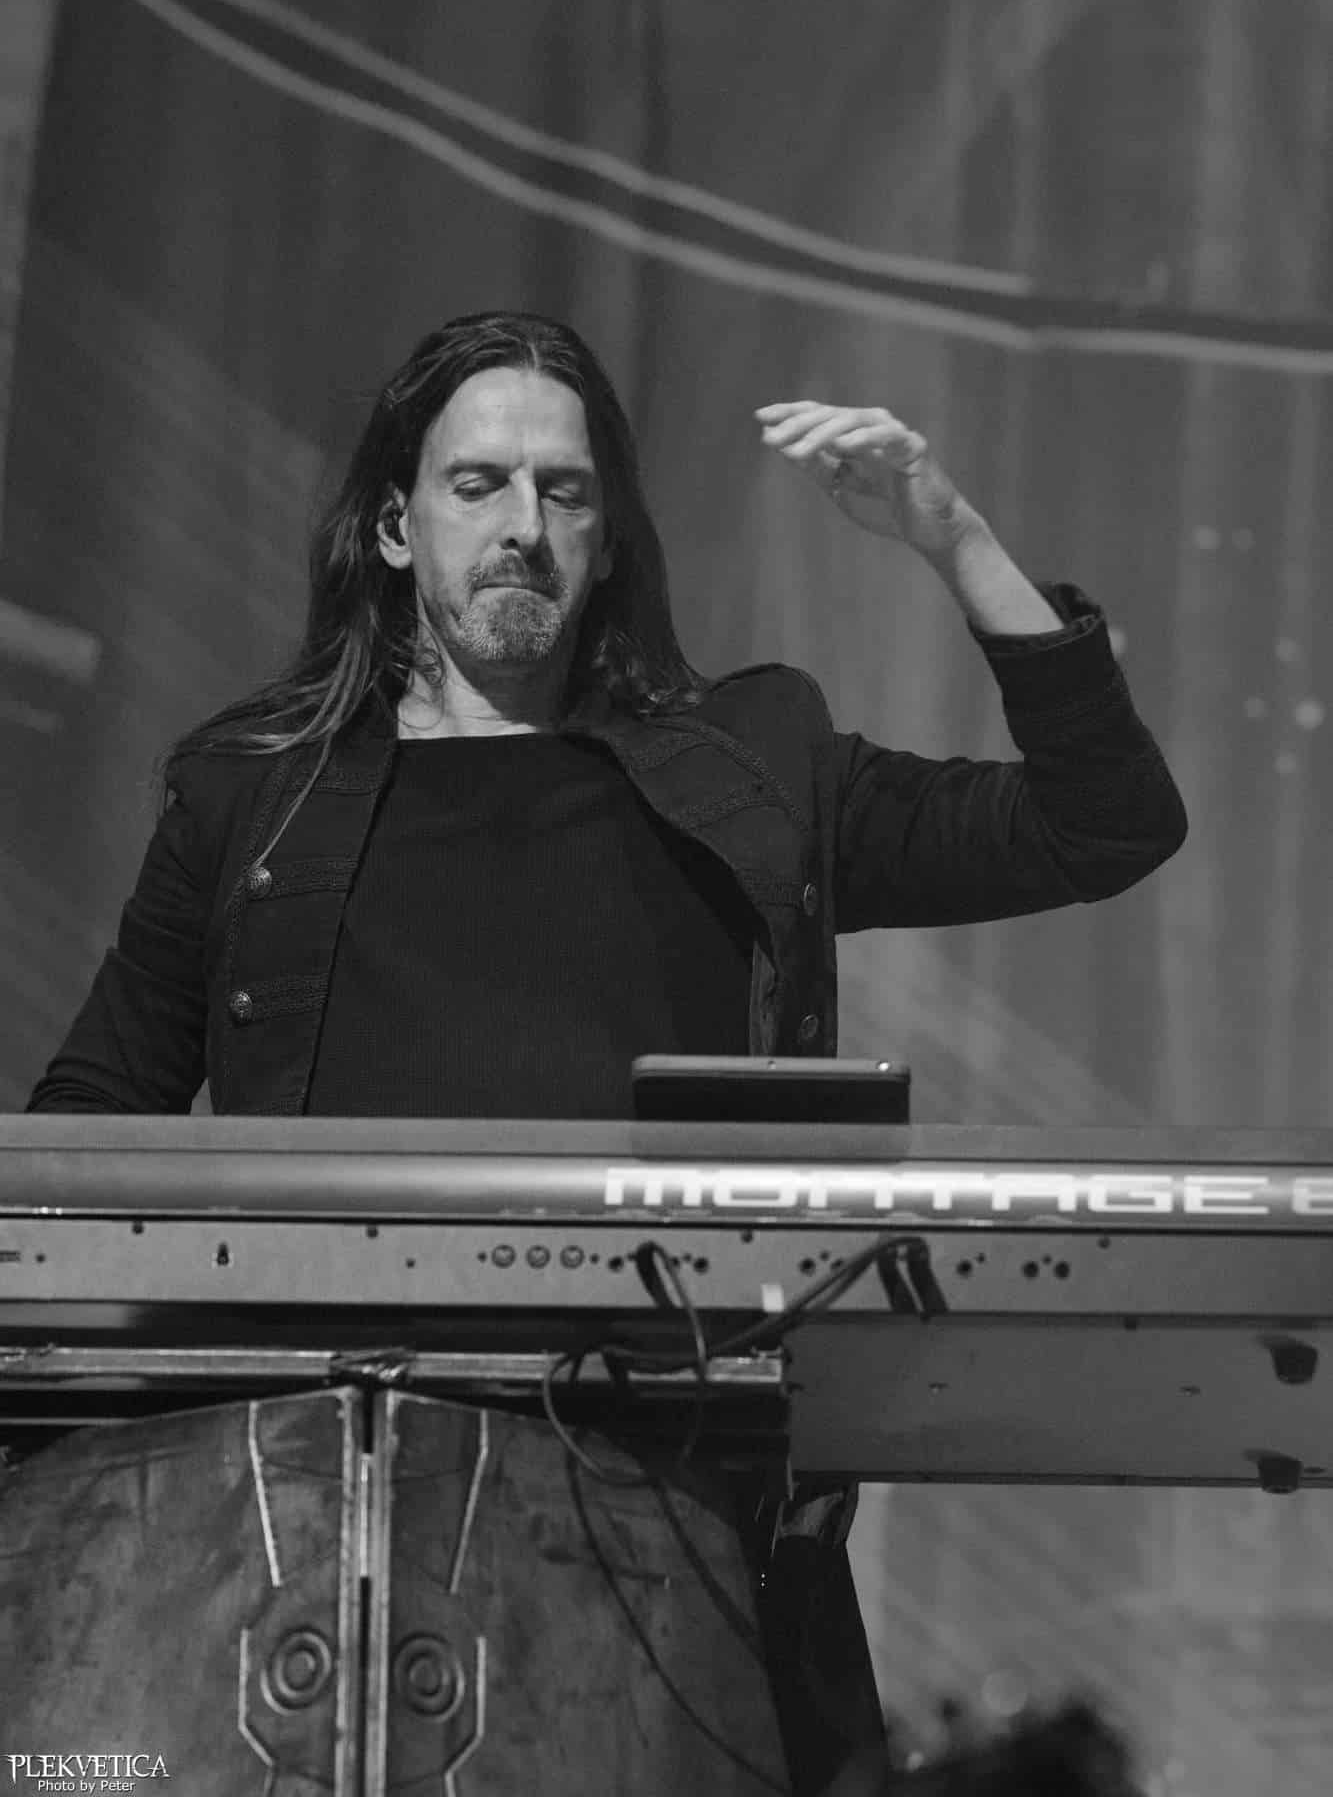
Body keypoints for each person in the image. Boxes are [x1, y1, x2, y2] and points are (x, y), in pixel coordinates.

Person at [27, 310, 1187, 1793]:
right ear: (394, 526)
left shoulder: (755, 769)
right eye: (478, 485)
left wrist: (947, 532)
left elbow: (1105, 823)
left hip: (653, 1540)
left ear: (606, 537)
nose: (524, 525)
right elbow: (87, 1132)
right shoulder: (250, 798)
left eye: (563, 491)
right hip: (294, 1535)